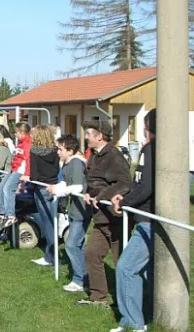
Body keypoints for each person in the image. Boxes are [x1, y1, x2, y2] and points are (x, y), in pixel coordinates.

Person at [109, 109, 156, 332]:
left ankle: (135, 323)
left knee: (126, 268)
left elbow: (146, 187)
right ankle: (137, 317)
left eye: (145, 125)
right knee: (144, 272)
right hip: (144, 218)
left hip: (149, 221)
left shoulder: (152, 150)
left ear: (150, 127)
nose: (143, 130)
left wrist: (125, 203)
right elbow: (139, 184)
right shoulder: (150, 149)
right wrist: (126, 198)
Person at [77, 120, 132, 307]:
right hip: (100, 217)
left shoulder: (114, 156)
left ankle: (130, 302)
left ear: (99, 136)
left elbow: (125, 183)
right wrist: (87, 192)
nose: (86, 137)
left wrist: (101, 196)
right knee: (92, 254)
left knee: (123, 262)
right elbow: (92, 180)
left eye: (89, 134)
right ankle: (99, 297)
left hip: (116, 218)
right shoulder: (93, 155)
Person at [47, 134, 90, 292]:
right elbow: (66, 182)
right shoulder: (66, 163)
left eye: (60, 149)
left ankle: (81, 280)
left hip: (82, 210)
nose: (58, 152)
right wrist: (56, 188)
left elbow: (78, 187)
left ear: (70, 150)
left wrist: (60, 191)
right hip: (74, 209)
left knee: (71, 245)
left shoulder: (77, 163)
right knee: (76, 245)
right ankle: (85, 275)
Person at [25, 125, 60, 266]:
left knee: (48, 225)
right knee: (53, 222)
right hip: (54, 187)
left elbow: (34, 175)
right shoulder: (56, 151)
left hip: (41, 189)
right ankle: (53, 254)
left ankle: (51, 257)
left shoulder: (34, 152)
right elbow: (57, 170)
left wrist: (30, 184)